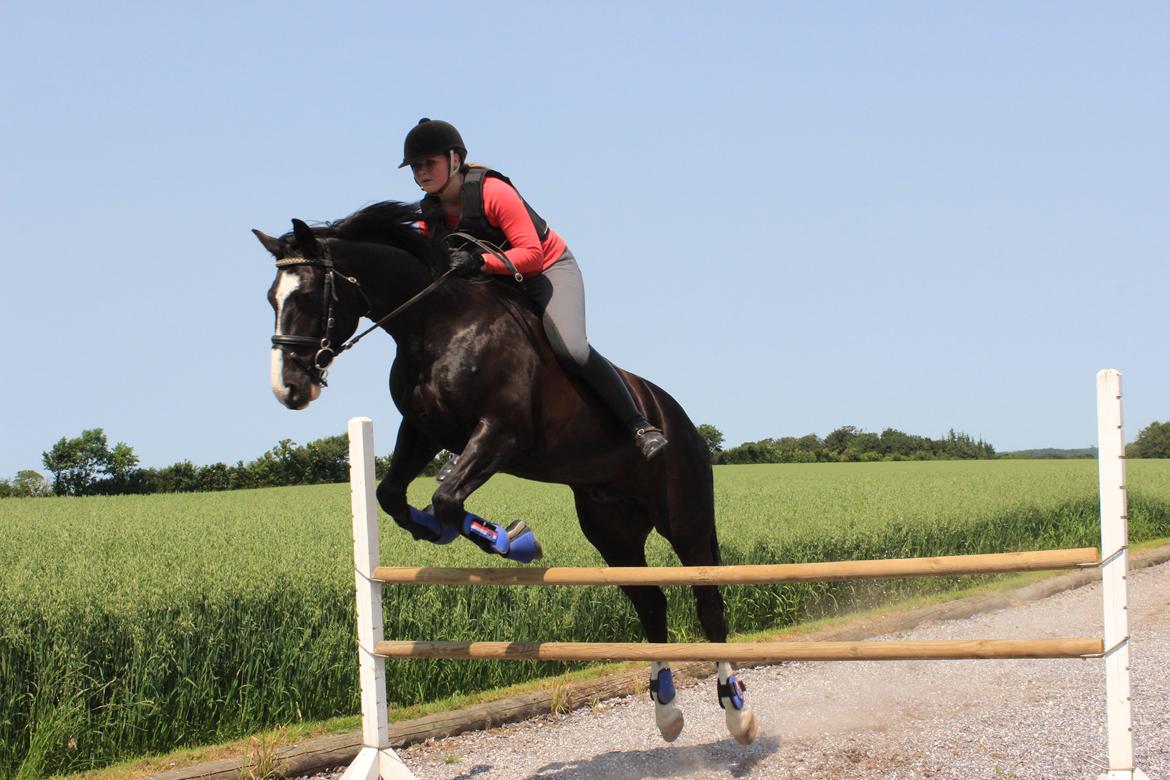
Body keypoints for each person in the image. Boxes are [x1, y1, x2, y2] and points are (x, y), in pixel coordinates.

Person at [400, 117, 668, 461]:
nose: (421, 172)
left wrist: (479, 263)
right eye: (415, 166)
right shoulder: (429, 214)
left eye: (429, 163)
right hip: (496, 283)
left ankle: (639, 425)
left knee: (570, 348)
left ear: (454, 159)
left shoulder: (493, 192)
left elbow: (530, 254)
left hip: (546, 270)